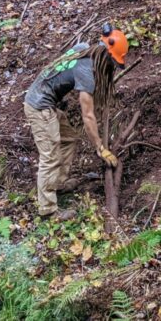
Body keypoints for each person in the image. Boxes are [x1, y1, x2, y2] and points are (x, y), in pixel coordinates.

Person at [23, 27, 128, 220]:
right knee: (50, 155)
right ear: (105, 56)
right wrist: (100, 147)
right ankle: (48, 210)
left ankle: (57, 184)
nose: (112, 67)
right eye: (112, 62)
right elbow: (87, 116)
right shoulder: (87, 71)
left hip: (46, 101)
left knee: (69, 138)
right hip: (39, 106)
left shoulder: (83, 47)